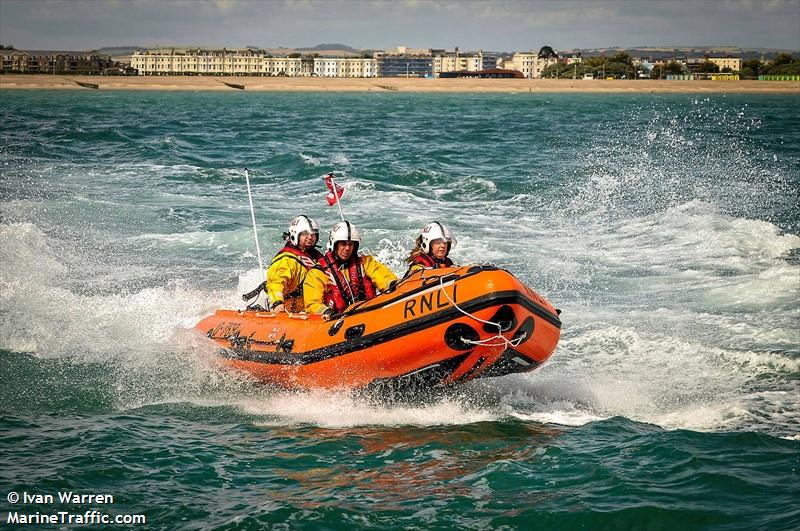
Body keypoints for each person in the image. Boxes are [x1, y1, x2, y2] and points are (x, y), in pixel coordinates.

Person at [304, 220, 398, 318]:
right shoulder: (318, 273)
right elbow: (312, 304)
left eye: (351, 244)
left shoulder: (366, 263)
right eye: (343, 244)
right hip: (338, 320)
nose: (347, 248)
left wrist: (391, 284)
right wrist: (326, 312)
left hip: (369, 314)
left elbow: (383, 278)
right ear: (335, 245)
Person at [266, 215, 324, 313]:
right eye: (305, 233)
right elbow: (275, 283)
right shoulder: (287, 260)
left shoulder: (317, 257)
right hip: (291, 312)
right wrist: (278, 303)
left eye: (313, 234)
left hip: (313, 308)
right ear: (295, 235)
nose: (310, 237)